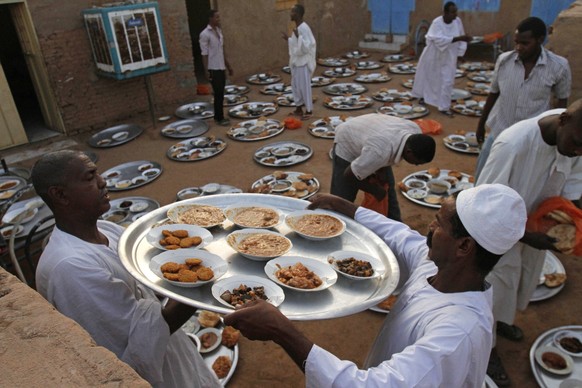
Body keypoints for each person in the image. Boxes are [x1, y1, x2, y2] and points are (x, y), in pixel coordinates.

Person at [225, 184, 527, 387]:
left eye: (438, 223)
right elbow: (399, 235)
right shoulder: (439, 266)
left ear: (464, 246)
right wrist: (349, 208)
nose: (429, 227)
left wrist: (282, 331)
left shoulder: (457, 333)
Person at [33, 150, 220, 388]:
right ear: (60, 195)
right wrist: (204, 280)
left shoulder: (106, 229)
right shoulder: (71, 268)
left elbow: (152, 280)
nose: (102, 181)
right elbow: (140, 344)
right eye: (90, 177)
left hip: (175, 355)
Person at [477, 99, 582, 386]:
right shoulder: (513, 145)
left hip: (537, 232)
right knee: (495, 289)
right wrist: (525, 234)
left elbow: (571, 188)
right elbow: (483, 206)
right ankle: (488, 351)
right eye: (576, 143)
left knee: (520, 281)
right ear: (563, 120)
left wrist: (570, 224)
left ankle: (502, 321)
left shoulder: (574, 136)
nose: (578, 152)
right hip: (497, 237)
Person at [474, 16, 571, 179]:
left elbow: (562, 104)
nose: (519, 47)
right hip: (499, 132)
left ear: (540, 40)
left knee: (518, 180)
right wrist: (481, 123)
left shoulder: (559, 67)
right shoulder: (504, 61)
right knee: (482, 177)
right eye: (516, 42)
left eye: (525, 43)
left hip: (532, 139)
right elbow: (493, 93)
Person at [331, 113, 436, 221]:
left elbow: (386, 146)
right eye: (417, 162)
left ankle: (395, 225)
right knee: (341, 200)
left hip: (372, 134)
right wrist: (375, 190)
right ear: (409, 152)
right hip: (348, 140)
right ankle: (335, 226)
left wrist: (381, 172)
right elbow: (349, 175)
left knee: (386, 186)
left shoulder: (415, 130)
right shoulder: (380, 152)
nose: (416, 165)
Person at [412, 2, 472, 116]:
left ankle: (444, 107)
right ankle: (424, 97)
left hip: (449, 56)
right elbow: (439, 40)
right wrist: (461, 38)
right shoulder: (437, 22)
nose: (455, 15)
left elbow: (461, 37)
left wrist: (460, 54)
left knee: (447, 81)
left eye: (456, 12)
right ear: (445, 13)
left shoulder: (457, 21)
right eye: (452, 12)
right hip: (433, 54)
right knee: (430, 78)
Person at [281, 4, 316, 120]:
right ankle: (299, 108)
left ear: (298, 14)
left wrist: (298, 37)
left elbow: (307, 46)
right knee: (296, 86)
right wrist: (289, 39)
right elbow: (296, 45)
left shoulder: (304, 28)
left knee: (304, 87)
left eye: (292, 12)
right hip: (297, 62)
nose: (290, 14)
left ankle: (309, 110)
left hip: (303, 63)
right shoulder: (297, 28)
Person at [200, 9, 233, 126]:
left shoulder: (219, 31)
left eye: (219, 17)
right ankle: (219, 117)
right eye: (217, 17)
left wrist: (228, 66)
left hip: (221, 66)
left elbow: (221, 51)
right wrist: (206, 71)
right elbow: (204, 54)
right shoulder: (205, 34)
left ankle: (219, 116)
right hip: (213, 67)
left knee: (221, 93)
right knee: (218, 92)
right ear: (211, 18)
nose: (219, 19)